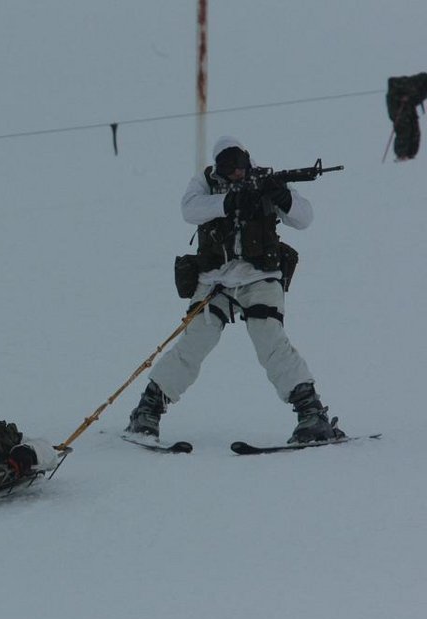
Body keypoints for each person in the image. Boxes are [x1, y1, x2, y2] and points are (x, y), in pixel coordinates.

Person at [125, 137, 344, 445]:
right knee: (194, 343)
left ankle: (312, 414)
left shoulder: (265, 180)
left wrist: (282, 196)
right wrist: (227, 203)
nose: (238, 175)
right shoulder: (204, 183)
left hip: (260, 277)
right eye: (230, 170)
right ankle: (148, 411)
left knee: (271, 341)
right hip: (215, 280)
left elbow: (304, 218)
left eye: (240, 168)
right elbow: (189, 210)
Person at [386, 73, 427, 161]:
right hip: (397, 105)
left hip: (408, 105)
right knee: (404, 128)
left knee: (414, 129)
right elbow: (401, 86)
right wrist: (406, 94)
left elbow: (417, 97)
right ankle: (401, 155)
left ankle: (410, 155)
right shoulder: (423, 79)